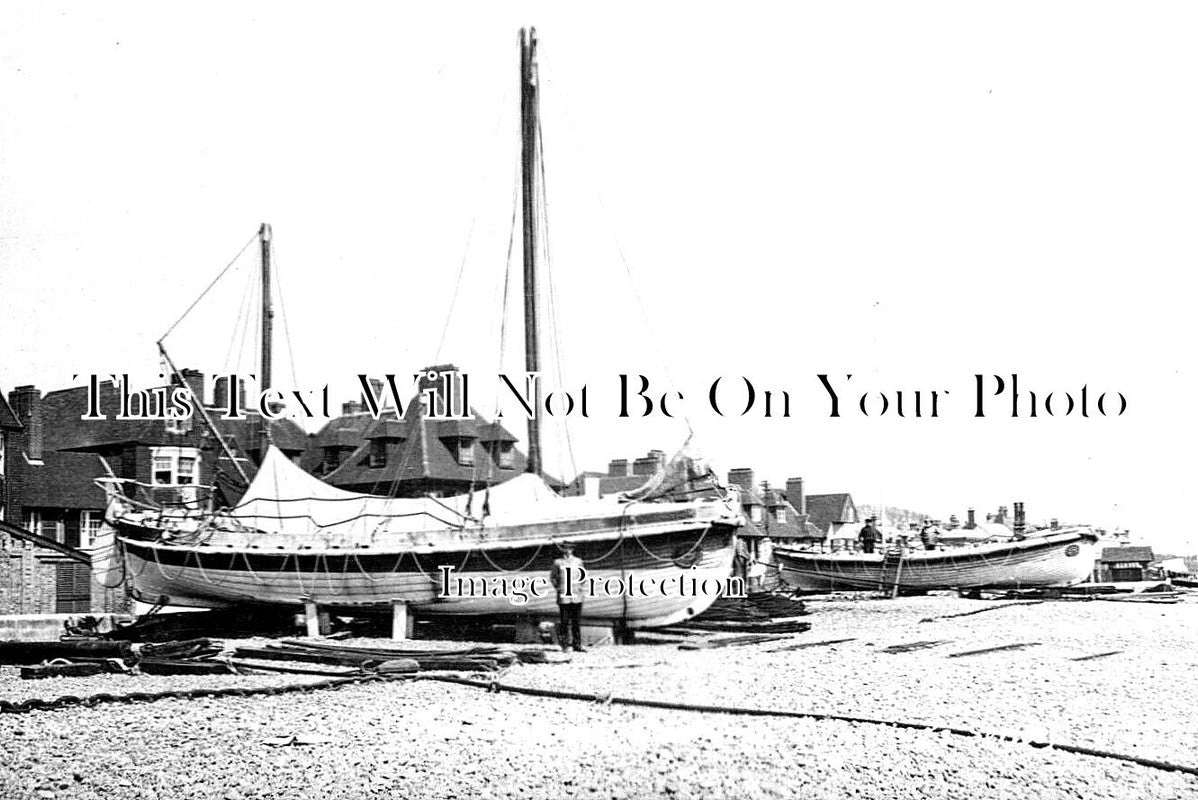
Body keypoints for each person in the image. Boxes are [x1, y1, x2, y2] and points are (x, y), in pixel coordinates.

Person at [550, 541, 585, 652]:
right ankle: (564, 645)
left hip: (576, 595)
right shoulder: (558, 562)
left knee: (576, 622)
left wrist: (579, 586)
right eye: (565, 548)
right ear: (563, 549)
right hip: (564, 596)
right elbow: (553, 577)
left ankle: (577, 645)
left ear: (572, 549)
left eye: (570, 548)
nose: (568, 550)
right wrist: (558, 588)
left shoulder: (578, 561)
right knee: (564, 622)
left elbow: (582, 576)